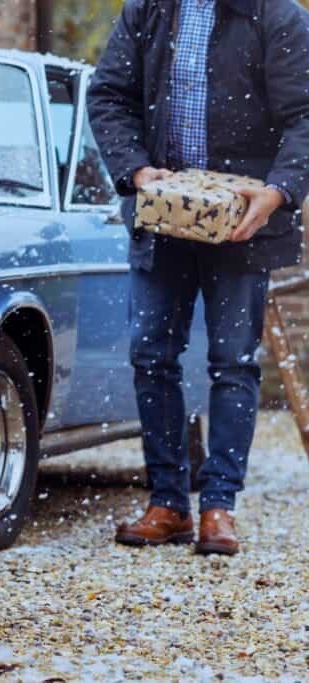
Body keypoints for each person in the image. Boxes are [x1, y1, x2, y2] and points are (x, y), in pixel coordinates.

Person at [87, 0, 309, 555]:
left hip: (243, 224)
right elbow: (109, 95)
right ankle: (167, 503)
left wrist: (278, 190)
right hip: (162, 220)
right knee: (151, 355)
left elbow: (306, 114)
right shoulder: (148, 9)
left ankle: (219, 508)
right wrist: (135, 168)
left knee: (233, 362)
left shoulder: (275, 14)